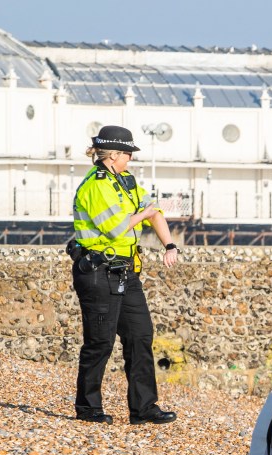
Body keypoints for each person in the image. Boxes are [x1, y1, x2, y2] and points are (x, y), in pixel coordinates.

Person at [70, 125, 179, 426]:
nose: (131, 157)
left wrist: (169, 244)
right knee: (100, 343)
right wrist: (146, 213)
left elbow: (153, 211)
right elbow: (117, 227)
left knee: (140, 336)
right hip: (97, 271)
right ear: (113, 155)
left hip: (126, 272)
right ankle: (88, 407)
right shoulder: (97, 186)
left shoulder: (126, 181)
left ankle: (144, 408)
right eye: (128, 153)